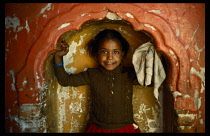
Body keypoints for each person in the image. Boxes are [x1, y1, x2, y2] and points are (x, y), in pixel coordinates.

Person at [53, 29, 141, 133]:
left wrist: (152, 59)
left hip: (125, 129)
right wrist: (58, 57)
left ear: (122, 54)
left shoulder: (129, 74)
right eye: (104, 51)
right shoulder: (92, 74)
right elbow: (65, 80)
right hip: (98, 129)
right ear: (96, 54)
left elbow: (151, 81)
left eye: (115, 52)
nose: (110, 57)